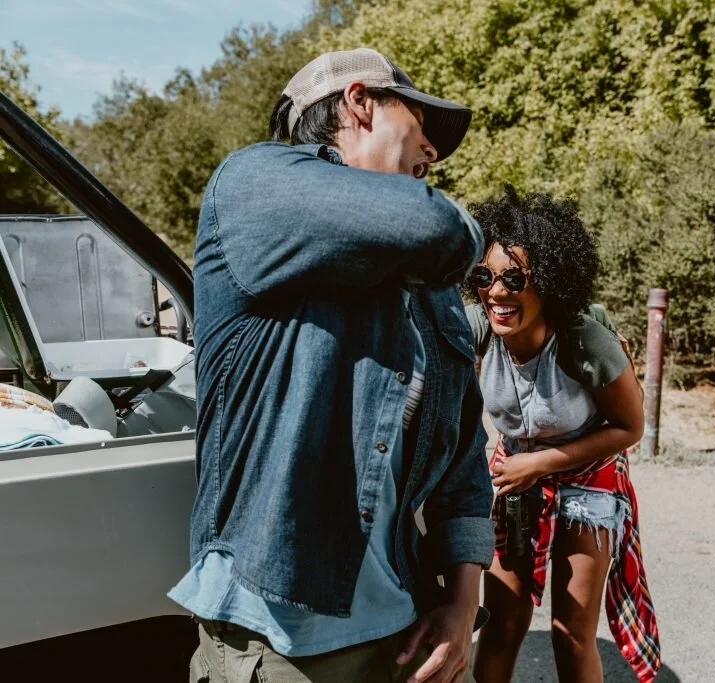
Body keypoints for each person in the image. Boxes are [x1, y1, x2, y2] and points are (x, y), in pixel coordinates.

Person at [168, 48, 494, 683]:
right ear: (359, 101)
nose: (433, 153)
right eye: (420, 127)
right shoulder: (252, 183)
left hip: (406, 626)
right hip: (282, 643)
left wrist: (461, 604)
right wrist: (458, 224)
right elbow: (436, 226)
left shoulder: (426, 288)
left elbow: (463, 459)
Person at [466, 187, 661, 683]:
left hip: (588, 476)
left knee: (571, 633)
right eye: (485, 276)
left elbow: (630, 427)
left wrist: (542, 463)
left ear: (549, 282)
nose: (497, 292)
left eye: (515, 278)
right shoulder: (479, 330)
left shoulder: (583, 340)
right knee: (501, 622)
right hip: (516, 472)